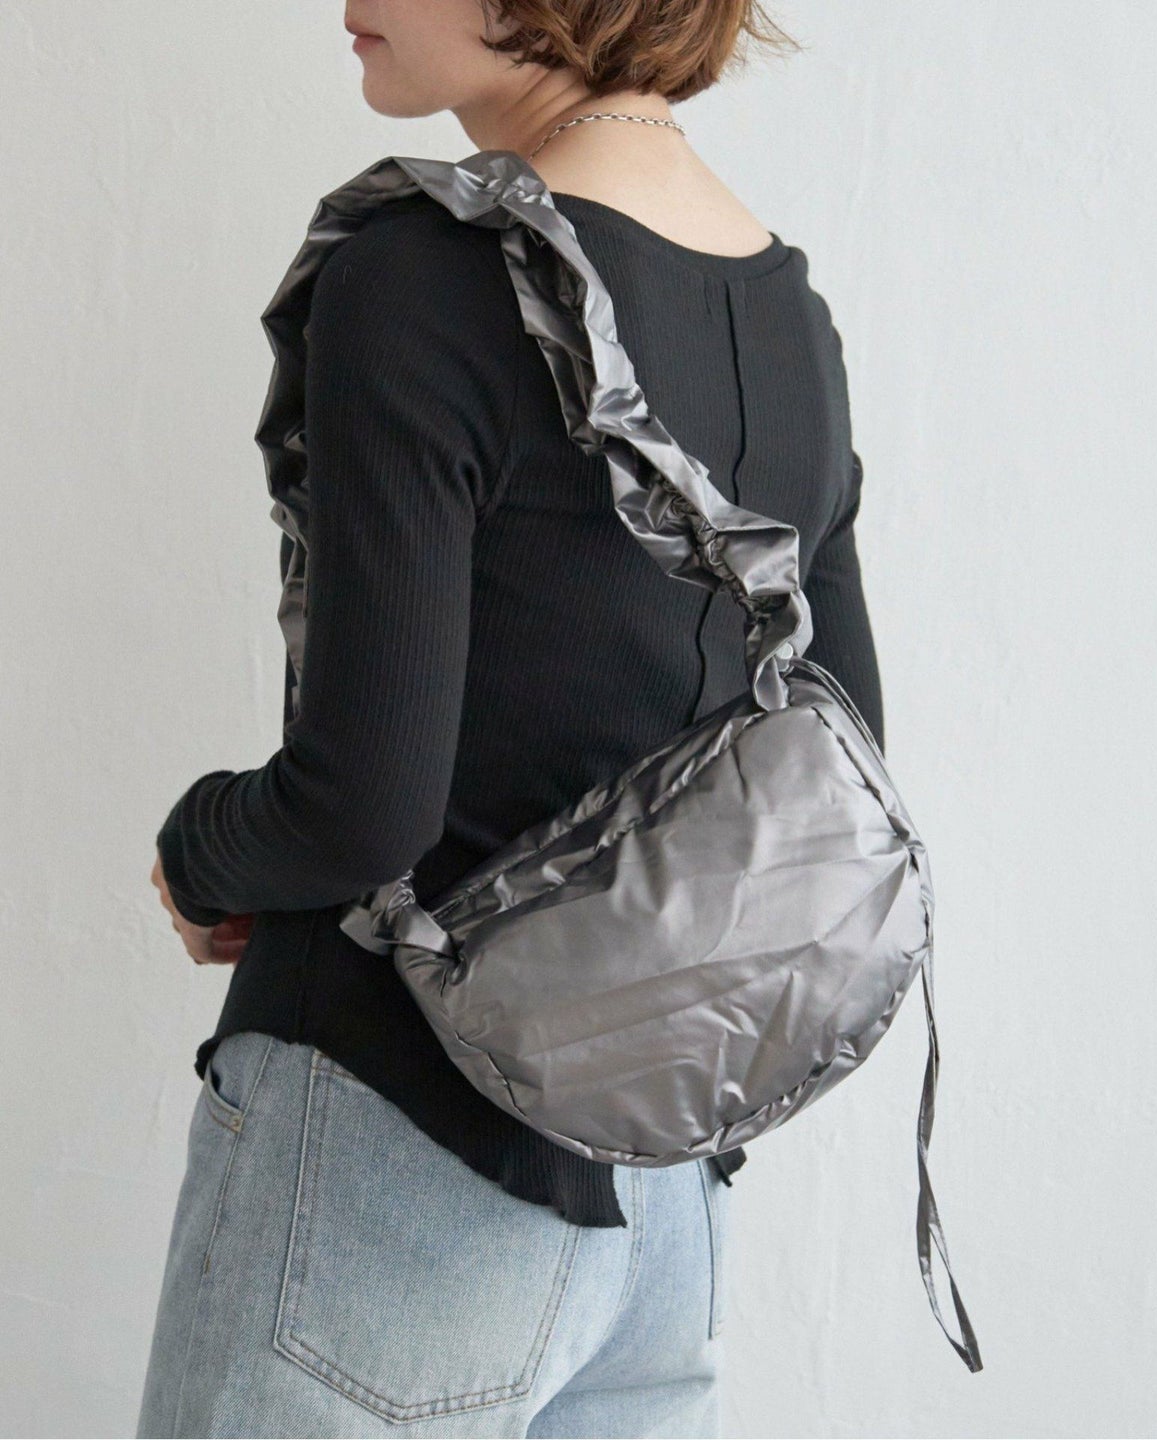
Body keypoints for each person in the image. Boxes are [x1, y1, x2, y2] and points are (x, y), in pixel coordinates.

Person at [136, 2, 885, 1435]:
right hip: (663, 1207)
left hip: (391, 1154)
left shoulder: (426, 273)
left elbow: (360, 811)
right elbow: (839, 777)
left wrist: (202, 849)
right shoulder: (791, 321)